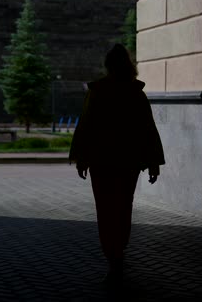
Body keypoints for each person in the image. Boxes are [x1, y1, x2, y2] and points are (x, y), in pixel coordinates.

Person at [69, 44, 165, 284]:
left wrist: (82, 158)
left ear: (108, 65)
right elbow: (147, 130)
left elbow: (86, 126)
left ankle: (112, 256)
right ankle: (118, 252)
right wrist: (153, 162)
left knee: (105, 209)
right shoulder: (136, 92)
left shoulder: (98, 91)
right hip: (128, 161)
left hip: (102, 161)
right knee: (123, 207)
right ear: (129, 65)